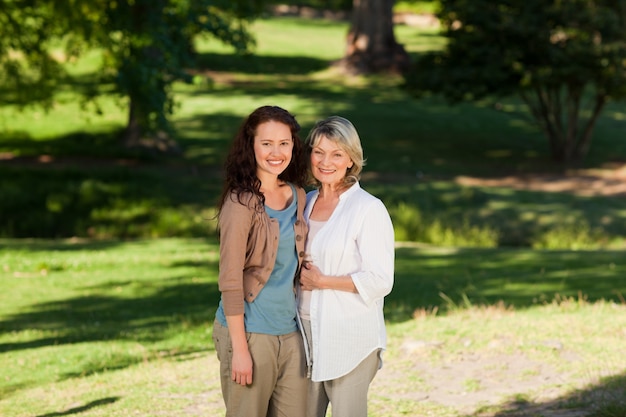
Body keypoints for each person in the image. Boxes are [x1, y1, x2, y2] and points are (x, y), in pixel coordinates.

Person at [212, 105, 309, 417]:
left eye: (284, 143)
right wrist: (240, 350)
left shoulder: (298, 195)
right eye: (266, 143)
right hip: (250, 333)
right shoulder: (240, 203)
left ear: (294, 146)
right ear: (250, 146)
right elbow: (229, 280)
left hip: (291, 333)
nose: (276, 153)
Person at [298, 115, 395, 417]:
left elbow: (380, 280)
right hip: (301, 335)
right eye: (319, 152)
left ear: (351, 160)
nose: (326, 161)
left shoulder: (368, 209)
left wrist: (323, 282)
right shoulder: (304, 202)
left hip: (348, 336)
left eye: (337, 154)